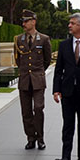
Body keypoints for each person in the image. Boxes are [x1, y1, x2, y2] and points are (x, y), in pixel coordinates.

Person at [52, 12, 80, 160]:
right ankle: (66, 158)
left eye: (72, 23)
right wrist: (56, 89)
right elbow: (59, 70)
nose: (69, 25)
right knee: (68, 125)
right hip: (68, 92)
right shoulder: (64, 45)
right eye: (69, 23)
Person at [14, 9, 52, 150]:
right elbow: (18, 60)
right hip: (24, 79)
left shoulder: (44, 39)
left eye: (26, 21)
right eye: (23, 21)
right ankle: (31, 138)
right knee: (26, 111)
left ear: (33, 22)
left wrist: (38, 72)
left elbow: (47, 60)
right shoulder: (18, 39)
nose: (23, 24)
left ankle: (40, 138)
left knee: (38, 108)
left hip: (38, 80)